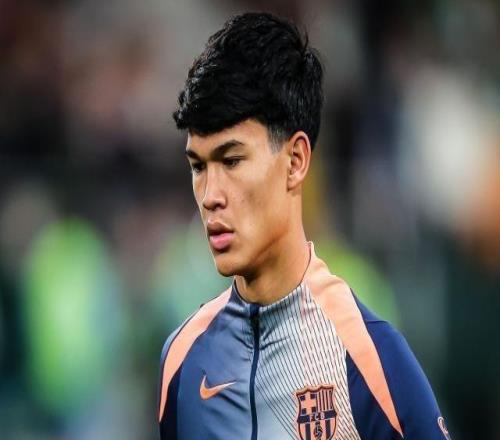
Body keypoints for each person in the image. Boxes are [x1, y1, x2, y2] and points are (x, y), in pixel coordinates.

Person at [158, 12, 451, 440]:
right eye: (198, 167)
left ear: (295, 161)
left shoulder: (368, 357)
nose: (210, 195)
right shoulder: (182, 361)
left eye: (232, 160)